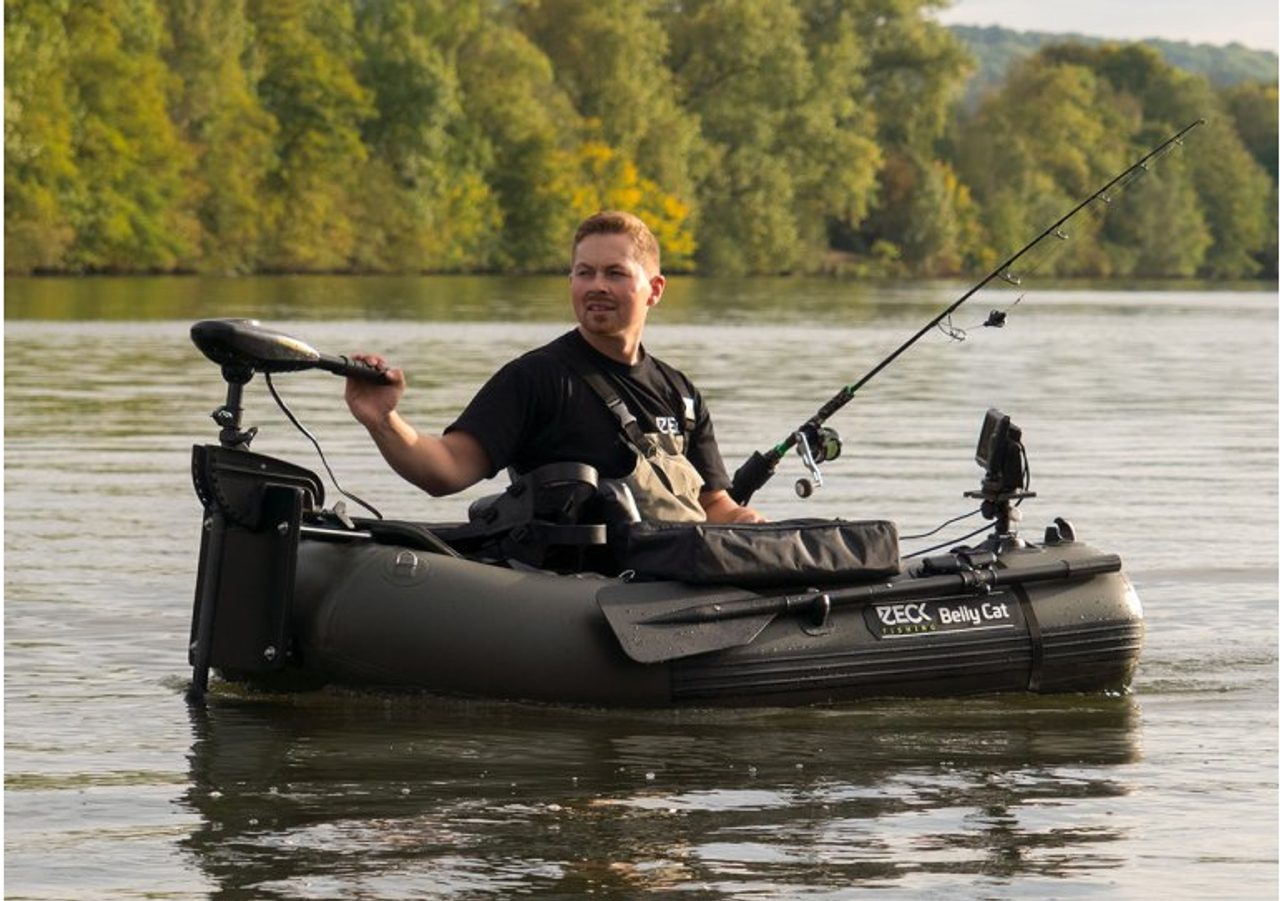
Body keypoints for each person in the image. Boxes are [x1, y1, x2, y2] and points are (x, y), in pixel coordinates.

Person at [344, 210, 765, 525]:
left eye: (615, 273)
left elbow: (713, 506)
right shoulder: (536, 378)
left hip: (670, 593)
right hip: (572, 597)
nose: (597, 285)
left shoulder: (681, 392)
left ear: (654, 290)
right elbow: (446, 469)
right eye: (585, 273)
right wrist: (384, 420)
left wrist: (762, 532)